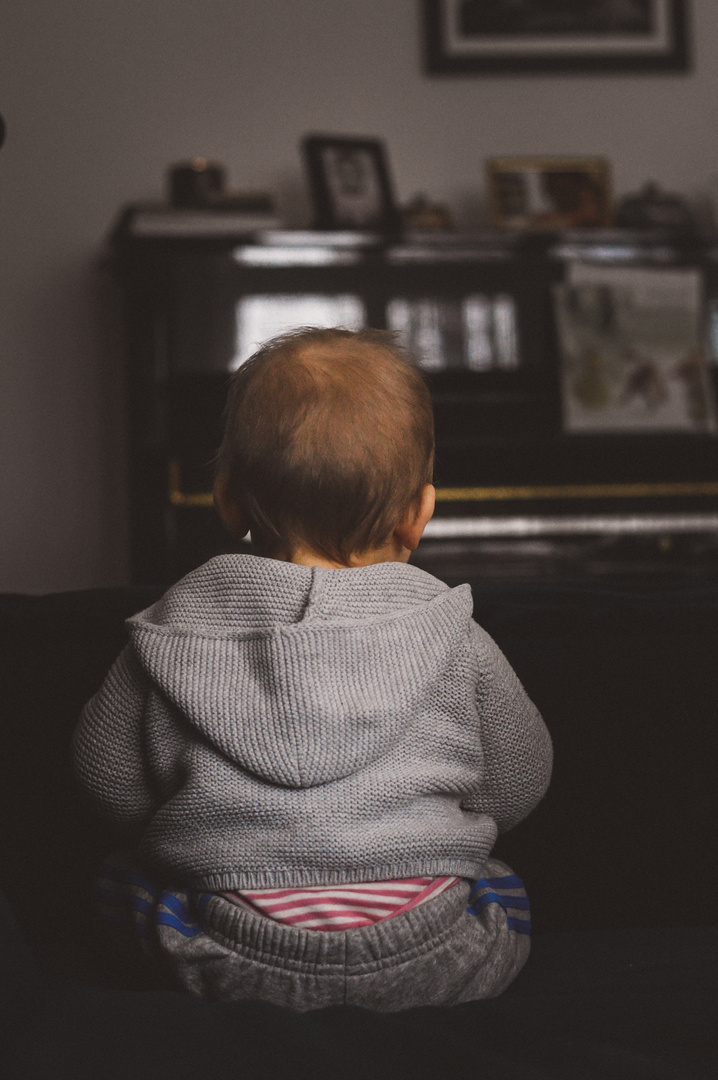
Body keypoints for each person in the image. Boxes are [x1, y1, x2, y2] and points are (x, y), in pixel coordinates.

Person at [73, 327, 552, 1010]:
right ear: (420, 514)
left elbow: (105, 779)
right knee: (499, 879)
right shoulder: (456, 635)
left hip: (221, 951)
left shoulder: (166, 633)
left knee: (119, 879)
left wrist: (204, 839)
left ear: (229, 501)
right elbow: (518, 782)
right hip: (436, 951)